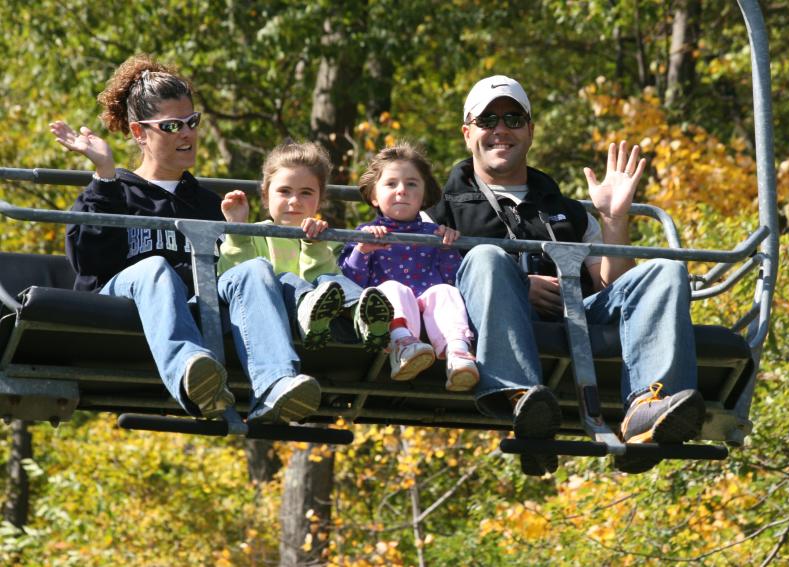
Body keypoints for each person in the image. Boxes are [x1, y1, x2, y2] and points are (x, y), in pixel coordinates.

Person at [427, 75, 706, 476]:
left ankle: (648, 407)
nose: (501, 130)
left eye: (513, 118)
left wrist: (612, 219)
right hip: (485, 319)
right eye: (488, 121)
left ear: (530, 129)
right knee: (486, 257)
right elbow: (421, 278)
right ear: (468, 133)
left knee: (664, 270)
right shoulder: (440, 206)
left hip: (575, 312)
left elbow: (613, 286)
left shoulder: (565, 209)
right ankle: (521, 397)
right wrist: (519, 287)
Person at [56, 54, 329, 425]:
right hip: (125, 304)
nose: (186, 134)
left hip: (195, 306)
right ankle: (191, 373)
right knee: (154, 267)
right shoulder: (113, 190)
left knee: (254, 269)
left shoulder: (208, 205)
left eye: (191, 122)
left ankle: (275, 384)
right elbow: (88, 262)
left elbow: (225, 274)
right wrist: (103, 173)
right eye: (171, 126)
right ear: (140, 133)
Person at [217, 141, 394, 352]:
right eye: (284, 191)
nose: (295, 201)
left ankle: (364, 317)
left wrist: (315, 244)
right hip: (273, 317)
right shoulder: (253, 234)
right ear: (265, 196)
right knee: (286, 279)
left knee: (332, 280)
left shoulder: (332, 239)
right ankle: (311, 309)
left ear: (320, 200)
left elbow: (329, 285)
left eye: (306, 193)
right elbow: (235, 279)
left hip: (327, 324)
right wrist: (238, 231)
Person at [338, 144, 479, 391]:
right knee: (392, 288)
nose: (402, 190)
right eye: (391, 184)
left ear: (424, 196)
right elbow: (350, 283)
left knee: (445, 293)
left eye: (412, 184)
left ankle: (457, 352)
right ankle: (403, 344)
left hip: (428, 306)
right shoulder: (365, 234)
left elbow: (454, 280)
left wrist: (447, 246)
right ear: (374, 195)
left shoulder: (435, 234)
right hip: (392, 311)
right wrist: (362, 250)